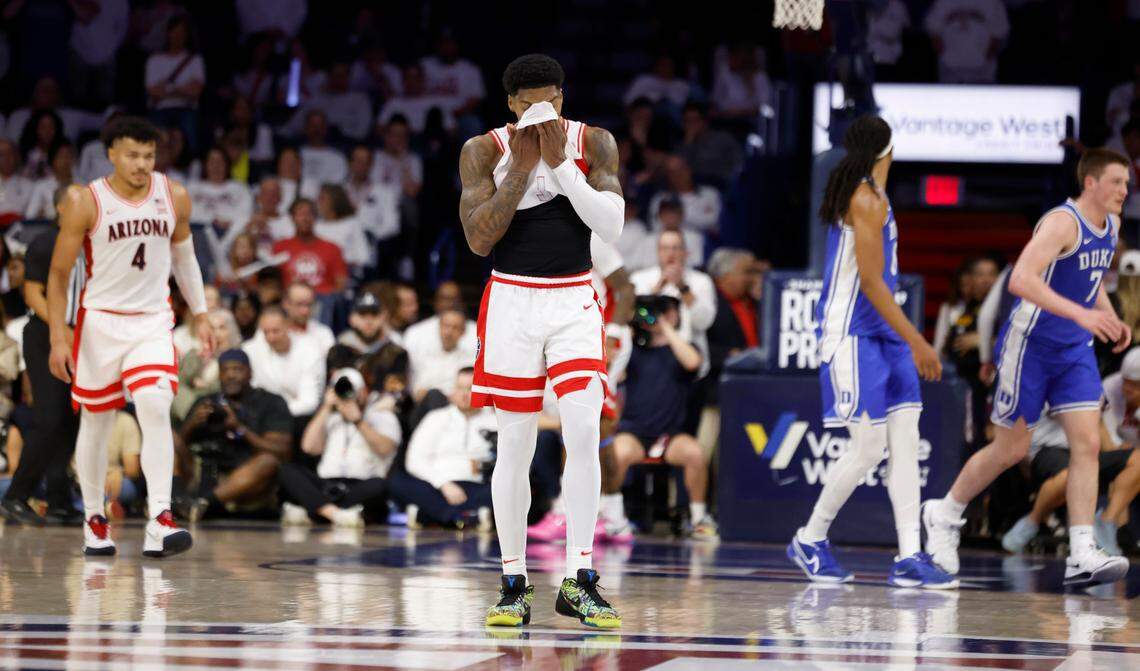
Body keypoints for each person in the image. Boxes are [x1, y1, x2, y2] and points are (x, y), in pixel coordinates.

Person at [458, 54, 624, 628]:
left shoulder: (593, 141)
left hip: (574, 295)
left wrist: (564, 169)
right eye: (530, 102)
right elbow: (479, 241)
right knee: (515, 445)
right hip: (511, 299)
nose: (542, 111)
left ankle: (580, 578)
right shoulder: (484, 150)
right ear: (511, 104)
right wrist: (525, 171)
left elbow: (612, 227)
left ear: (563, 95)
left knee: (583, 429)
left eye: (551, 99)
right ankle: (513, 583)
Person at [923, 148, 1133, 587]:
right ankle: (944, 513)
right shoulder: (1061, 222)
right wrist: (1081, 315)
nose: (1125, 190)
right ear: (1091, 183)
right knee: (1011, 450)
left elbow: (1090, 284)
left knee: (1088, 445)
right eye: (1117, 182)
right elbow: (1020, 281)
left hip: (1073, 350)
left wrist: (1108, 314)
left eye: (1128, 183)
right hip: (1030, 346)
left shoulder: (1111, 226)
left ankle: (1081, 550)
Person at [787, 115, 954, 588]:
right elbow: (872, 283)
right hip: (852, 333)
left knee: (904, 439)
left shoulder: (877, 197)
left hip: (884, 334)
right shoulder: (863, 197)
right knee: (867, 447)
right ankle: (810, 538)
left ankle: (909, 556)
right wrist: (919, 339)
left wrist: (905, 338)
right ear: (889, 150)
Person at [47, 116, 214, 558]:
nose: (142, 164)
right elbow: (60, 274)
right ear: (112, 156)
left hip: (152, 320)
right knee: (97, 422)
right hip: (100, 321)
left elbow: (186, 259)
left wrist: (201, 313)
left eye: (149, 155)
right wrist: (58, 337)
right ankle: (94, 519)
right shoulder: (87, 201)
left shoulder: (173, 195)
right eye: (133, 155)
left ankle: (160, 518)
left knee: (156, 403)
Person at [0, 188, 83, 526]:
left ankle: (60, 498)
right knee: (50, 419)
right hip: (46, 335)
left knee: (71, 419)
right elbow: (33, 293)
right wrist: (61, 327)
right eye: (78, 203)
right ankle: (16, 496)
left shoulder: (90, 242)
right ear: (61, 207)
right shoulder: (46, 242)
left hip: (79, 335)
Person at [608, 296, 717, 539]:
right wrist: (630, 325)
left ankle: (699, 518)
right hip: (635, 431)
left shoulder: (683, 350)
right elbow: (614, 368)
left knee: (695, 454)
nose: (653, 317)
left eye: (663, 312)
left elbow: (693, 363)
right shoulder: (633, 350)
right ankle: (610, 517)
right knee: (616, 454)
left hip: (670, 434)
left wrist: (665, 327)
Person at [175, 349, 292, 521]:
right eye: (225, 370)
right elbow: (179, 443)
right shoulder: (206, 402)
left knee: (268, 461)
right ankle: (175, 500)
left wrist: (239, 428)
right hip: (202, 474)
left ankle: (203, 505)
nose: (230, 375)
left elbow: (282, 451)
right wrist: (192, 424)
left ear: (250, 372)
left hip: (244, 480)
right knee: (169, 438)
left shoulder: (270, 402)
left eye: (237, 370)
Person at [281, 367, 401, 527]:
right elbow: (309, 448)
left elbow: (385, 449)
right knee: (288, 470)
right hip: (326, 485)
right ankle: (336, 514)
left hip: (360, 485)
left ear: (363, 392)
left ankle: (316, 510)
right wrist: (325, 408)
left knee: (380, 486)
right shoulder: (330, 417)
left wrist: (358, 421)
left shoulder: (382, 416)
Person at [387, 367, 495, 528]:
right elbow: (415, 460)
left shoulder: (494, 421)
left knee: (507, 492)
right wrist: (443, 484)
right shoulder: (436, 418)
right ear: (452, 390)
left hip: (476, 486)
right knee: (396, 482)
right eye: (460, 388)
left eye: (470, 388)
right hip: (437, 486)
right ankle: (468, 517)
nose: (464, 394)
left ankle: (426, 515)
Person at [241, 306, 325, 419]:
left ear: (288, 326)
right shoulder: (250, 350)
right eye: (266, 332)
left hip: (299, 419)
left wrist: (273, 413)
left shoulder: (310, 350)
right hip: (260, 419)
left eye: (276, 331)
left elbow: (309, 402)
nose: (270, 338)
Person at [271, 198, 349, 304]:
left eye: (309, 214)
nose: (305, 218)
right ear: (292, 218)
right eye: (300, 214)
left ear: (315, 217)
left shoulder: (332, 248)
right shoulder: (280, 247)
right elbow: (272, 283)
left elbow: (341, 283)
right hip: (290, 302)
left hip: (323, 302)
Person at [407, 308, 475, 400]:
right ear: (439, 327)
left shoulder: (469, 360)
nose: (449, 332)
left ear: (463, 332)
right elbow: (417, 391)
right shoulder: (426, 356)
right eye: (446, 326)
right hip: (426, 406)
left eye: (455, 327)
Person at [281, 281, 335, 354]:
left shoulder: (323, 333)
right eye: (299, 304)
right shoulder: (272, 333)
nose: (305, 311)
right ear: (286, 304)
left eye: (309, 305)